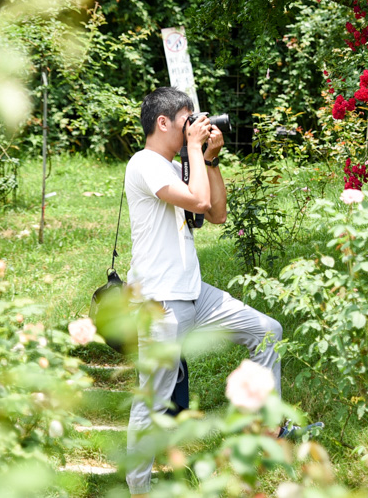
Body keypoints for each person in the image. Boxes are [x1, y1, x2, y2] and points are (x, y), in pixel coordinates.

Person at [124, 87, 282, 497]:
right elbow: (196, 199)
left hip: (194, 292)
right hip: (161, 301)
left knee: (267, 331)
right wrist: (194, 149)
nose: (195, 126)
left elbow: (216, 212)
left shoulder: (175, 166)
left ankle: (270, 432)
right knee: (153, 401)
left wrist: (210, 159)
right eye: (186, 121)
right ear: (163, 123)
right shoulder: (145, 163)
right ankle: (138, 488)